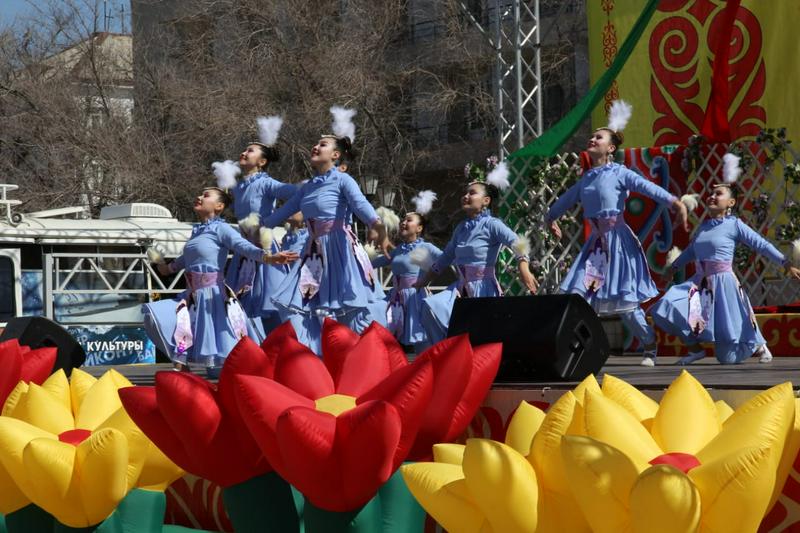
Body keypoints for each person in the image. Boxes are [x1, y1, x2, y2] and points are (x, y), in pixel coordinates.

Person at [546, 127, 689, 367]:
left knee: (626, 304)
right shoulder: (587, 178)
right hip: (596, 248)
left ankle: (649, 342)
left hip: (619, 244)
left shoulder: (620, 173)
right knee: (578, 296)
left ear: (611, 148)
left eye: (598, 137)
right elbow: (566, 200)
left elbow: (648, 187)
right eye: (592, 136)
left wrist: (675, 202)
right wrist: (550, 218)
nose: (592, 139)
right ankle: (580, 351)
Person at [145, 187, 298, 373]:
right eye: (200, 193)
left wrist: (268, 257)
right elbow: (187, 258)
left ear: (219, 206)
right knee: (159, 319)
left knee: (227, 348)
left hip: (212, 298)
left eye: (205, 195)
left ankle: (240, 379)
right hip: (192, 297)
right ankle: (183, 372)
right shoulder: (198, 231)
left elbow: (243, 246)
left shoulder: (221, 229)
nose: (199, 196)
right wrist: (166, 267)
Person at [259, 135, 387, 353]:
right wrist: (256, 227)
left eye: (323, 144)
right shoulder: (307, 187)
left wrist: (377, 225)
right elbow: (281, 213)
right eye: (316, 143)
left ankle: (363, 358)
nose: (315, 146)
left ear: (335, 155)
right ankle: (311, 357)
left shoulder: (343, 179)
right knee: (295, 308)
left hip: (340, 249)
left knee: (348, 310)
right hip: (313, 253)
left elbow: (360, 204)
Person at [650, 183, 800, 365]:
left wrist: (786, 264)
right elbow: (691, 251)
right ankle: (695, 350)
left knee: (726, 358)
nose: (712, 196)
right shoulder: (703, 227)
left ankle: (758, 345)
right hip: (699, 284)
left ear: (731, 202)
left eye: (718, 193)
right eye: (711, 193)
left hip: (723, 285)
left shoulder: (734, 225)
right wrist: (673, 268)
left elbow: (761, 244)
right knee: (667, 305)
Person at [417, 180, 538, 344]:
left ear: (486, 201)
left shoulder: (492, 225)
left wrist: (523, 266)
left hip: (483, 289)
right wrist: (424, 280)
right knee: (430, 308)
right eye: (465, 193)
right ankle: (447, 352)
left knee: (481, 337)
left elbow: (518, 243)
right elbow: (445, 257)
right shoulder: (461, 228)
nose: (465, 196)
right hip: (459, 288)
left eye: (472, 193)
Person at [226, 142, 297, 333]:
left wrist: (273, 220)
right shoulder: (238, 187)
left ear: (262, 162)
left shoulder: (266, 183)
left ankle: (283, 345)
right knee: (238, 306)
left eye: (250, 150)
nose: (243, 152)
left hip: (265, 247)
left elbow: (294, 193)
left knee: (271, 304)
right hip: (244, 251)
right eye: (244, 149)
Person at [372, 209, 442, 353]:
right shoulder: (399, 250)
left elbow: (446, 258)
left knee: (421, 341)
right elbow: (377, 262)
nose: (403, 222)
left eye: (409, 220)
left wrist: (431, 274)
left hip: (414, 298)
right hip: (396, 298)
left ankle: (430, 364)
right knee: (386, 335)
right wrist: (358, 259)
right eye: (403, 220)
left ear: (419, 228)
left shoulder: (426, 247)